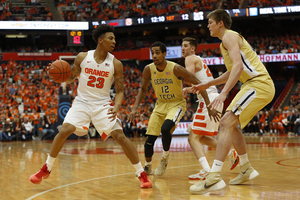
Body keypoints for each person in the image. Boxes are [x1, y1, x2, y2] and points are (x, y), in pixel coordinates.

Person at [29, 24, 152, 189]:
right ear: (100, 41)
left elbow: (121, 91)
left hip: (102, 104)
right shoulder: (82, 57)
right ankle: (46, 168)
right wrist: (59, 76)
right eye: (110, 38)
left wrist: (116, 106)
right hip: (82, 102)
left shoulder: (116, 64)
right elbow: (71, 77)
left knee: (120, 137)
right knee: (64, 130)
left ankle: (141, 174)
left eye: (114, 38)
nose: (114, 41)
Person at [190, 9, 275, 194]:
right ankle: (245, 168)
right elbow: (231, 70)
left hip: (258, 83)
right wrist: (209, 84)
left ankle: (214, 177)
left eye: (210, 22)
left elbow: (238, 66)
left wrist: (224, 93)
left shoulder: (229, 36)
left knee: (225, 122)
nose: (207, 25)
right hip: (251, 84)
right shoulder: (225, 42)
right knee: (231, 124)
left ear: (220, 23)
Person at [128, 41, 220, 176]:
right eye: (152, 53)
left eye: (157, 53)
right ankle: (148, 166)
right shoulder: (148, 69)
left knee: (166, 128)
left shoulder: (176, 68)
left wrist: (208, 105)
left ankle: (165, 157)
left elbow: (198, 83)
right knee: (149, 141)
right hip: (160, 104)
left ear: (165, 54)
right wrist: (135, 108)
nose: (154, 56)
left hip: (176, 104)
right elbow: (142, 89)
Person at [181, 37, 239, 181]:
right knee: (200, 137)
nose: (183, 48)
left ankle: (206, 171)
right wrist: (188, 90)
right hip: (212, 98)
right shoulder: (198, 60)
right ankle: (231, 152)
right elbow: (197, 83)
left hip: (209, 100)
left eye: (186, 46)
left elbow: (187, 76)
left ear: (192, 49)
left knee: (192, 138)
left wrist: (174, 77)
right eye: (182, 46)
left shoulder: (190, 58)